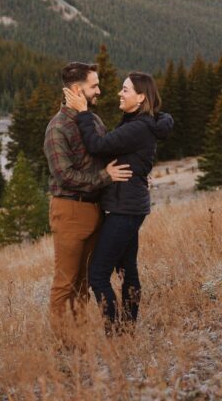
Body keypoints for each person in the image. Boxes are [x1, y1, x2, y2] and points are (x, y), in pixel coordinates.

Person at [63, 72, 173, 332]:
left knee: (98, 274)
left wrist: (83, 112)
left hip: (125, 209)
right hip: (130, 205)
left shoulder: (138, 127)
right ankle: (127, 329)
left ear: (141, 97)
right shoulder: (140, 121)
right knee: (126, 270)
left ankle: (116, 332)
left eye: (125, 90)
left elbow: (97, 145)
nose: (119, 94)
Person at [44, 62, 132, 341]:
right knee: (65, 283)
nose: (99, 90)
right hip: (70, 209)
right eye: (94, 85)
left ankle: (78, 340)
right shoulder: (57, 128)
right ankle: (64, 347)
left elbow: (106, 150)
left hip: (95, 210)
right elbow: (65, 175)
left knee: (84, 282)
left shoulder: (91, 120)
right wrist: (105, 178)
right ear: (76, 89)